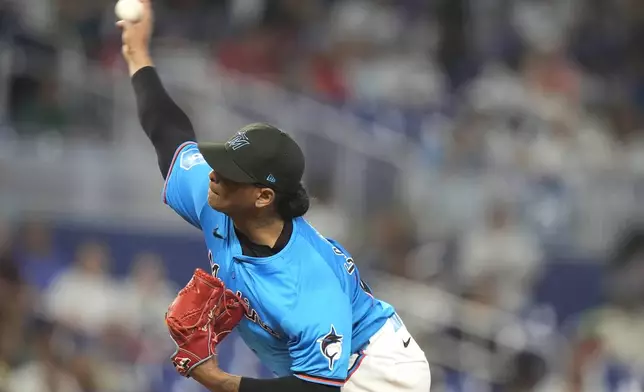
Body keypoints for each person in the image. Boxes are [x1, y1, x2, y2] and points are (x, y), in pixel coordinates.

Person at [116, 2, 431, 391]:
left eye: (231, 174)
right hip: (323, 365)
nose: (214, 175)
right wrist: (138, 54)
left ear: (263, 196)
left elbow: (315, 389)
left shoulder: (306, 282)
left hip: (378, 371)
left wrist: (215, 378)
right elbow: (168, 131)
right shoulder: (216, 199)